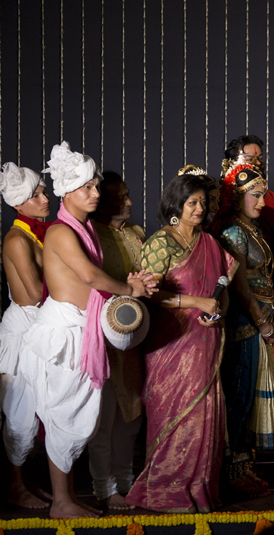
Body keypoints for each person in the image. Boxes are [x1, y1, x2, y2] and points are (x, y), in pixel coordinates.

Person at [19, 141, 155, 519]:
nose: (97, 193)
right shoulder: (62, 232)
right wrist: (130, 289)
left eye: (95, 186)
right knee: (63, 418)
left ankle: (68, 499)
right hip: (64, 333)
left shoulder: (84, 228)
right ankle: (62, 502)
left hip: (82, 329)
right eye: (88, 188)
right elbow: (90, 276)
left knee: (77, 417)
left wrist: (131, 282)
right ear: (68, 191)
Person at [125, 173, 235, 512]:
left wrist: (216, 310)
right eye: (192, 203)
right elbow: (151, 296)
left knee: (206, 415)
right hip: (170, 341)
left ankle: (198, 489)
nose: (200, 209)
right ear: (176, 205)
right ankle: (164, 489)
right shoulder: (160, 243)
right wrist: (196, 303)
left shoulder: (211, 244)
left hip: (206, 338)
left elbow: (223, 292)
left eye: (203, 202)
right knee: (172, 414)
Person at [216, 163, 274, 497]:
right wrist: (262, 320)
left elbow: (267, 277)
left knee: (250, 399)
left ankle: (245, 467)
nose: (262, 202)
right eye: (255, 196)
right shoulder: (233, 233)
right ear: (236, 198)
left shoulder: (255, 230)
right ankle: (230, 471)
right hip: (244, 324)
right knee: (239, 395)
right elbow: (242, 285)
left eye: (261, 194)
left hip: (263, 323)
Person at [85, 171, 146, 510]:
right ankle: (104, 488)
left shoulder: (137, 234)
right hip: (102, 337)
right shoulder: (92, 235)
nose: (129, 203)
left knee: (132, 415)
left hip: (135, 336)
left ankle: (126, 481)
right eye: (121, 197)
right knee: (103, 418)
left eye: (127, 195)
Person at [0, 163, 52, 508]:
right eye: (36, 196)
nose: (45, 199)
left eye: (43, 192)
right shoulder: (18, 239)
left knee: (41, 410)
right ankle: (15, 486)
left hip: (41, 322)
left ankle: (28, 483)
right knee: (21, 411)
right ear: (19, 204)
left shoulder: (36, 233)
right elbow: (35, 293)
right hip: (25, 327)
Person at [222, 135, 274, 231]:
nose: (258, 163)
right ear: (232, 165)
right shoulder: (221, 200)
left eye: (260, 158)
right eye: (250, 159)